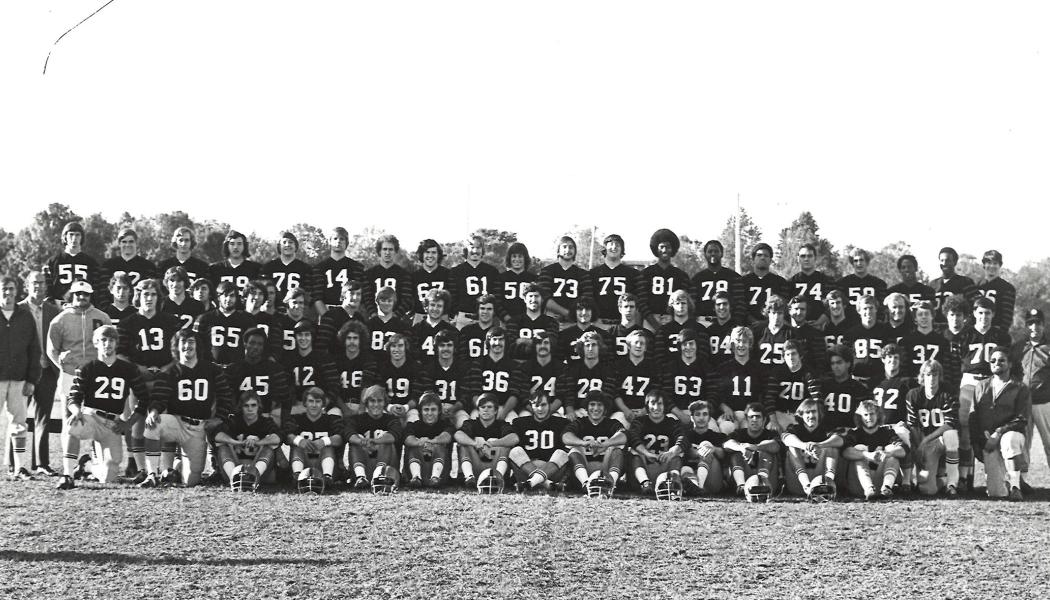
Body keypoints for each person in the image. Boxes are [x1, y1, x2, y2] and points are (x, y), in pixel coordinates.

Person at [56, 325, 148, 489]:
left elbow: (144, 399)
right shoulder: (87, 367)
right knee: (73, 426)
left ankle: (87, 466)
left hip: (113, 424)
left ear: (116, 343)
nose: (108, 344)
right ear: (96, 343)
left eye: (111, 340)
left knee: (109, 475)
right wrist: (76, 411)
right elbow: (74, 396)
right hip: (91, 417)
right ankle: (67, 475)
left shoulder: (128, 369)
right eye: (103, 340)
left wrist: (129, 423)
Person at [140, 329, 234, 488]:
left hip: (198, 427)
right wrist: (154, 411)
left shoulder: (212, 370)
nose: (187, 346)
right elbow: (159, 398)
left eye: (191, 341)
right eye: (183, 342)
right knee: (152, 425)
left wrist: (220, 417)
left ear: (198, 345)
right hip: (176, 422)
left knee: (191, 480)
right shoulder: (169, 372)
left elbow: (225, 396)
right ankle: (152, 475)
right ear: (176, 346)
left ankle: (175, 468)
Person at [955, 296, 1011, 490]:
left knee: (990, 428)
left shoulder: (1000, 336)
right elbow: (956, 364)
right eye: (980, 313)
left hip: (991, 383)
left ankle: (994, 477)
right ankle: (964, 477)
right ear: (974, 314)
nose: (984, 317)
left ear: (993, 314)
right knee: (964, 429)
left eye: (988, 313)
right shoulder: (965, 334)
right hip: (969, 380)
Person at [47, 280, 112, 430]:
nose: (82, 296)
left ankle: (96, 454)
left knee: (98, 419)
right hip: (70, 375)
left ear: (90, 295)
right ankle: (68, 454)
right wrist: (61, 365)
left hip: (96, 374)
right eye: (78, 293)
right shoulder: (60, 320)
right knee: (69, 419)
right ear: (72, 294)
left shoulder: (103, 318)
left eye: (86, 294)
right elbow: (51, 349)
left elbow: (112, 345)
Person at [970, 348, 1029, 500]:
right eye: (993, 360)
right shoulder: (981, 386)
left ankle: (1016, 486)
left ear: (1009, 364)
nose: (997, 363)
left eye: (1002, 360)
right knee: (997, 493)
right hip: (987, 440)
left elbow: (1022, 419)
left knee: (1009, 440)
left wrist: (999, 432)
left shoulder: (1020, 387)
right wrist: (978, 442)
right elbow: (973, 417)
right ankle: (1006, 483)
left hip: (1011, 435)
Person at [17, 271, 60, 475]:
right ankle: (15, 464)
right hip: (23, 373)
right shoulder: (17, 310)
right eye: (35, 282)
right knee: (18, 418)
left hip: (47, 371)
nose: (39, 286)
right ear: (27, 285)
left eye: (42, 283)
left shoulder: (54, 310)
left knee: (44, 418)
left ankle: (41, 463)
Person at [1, 275, 42, 480]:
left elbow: (35, 350)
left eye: (11, 289)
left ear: (17, 291)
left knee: (19, 423)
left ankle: (19, 468)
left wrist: (32, 379)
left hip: (18, 379)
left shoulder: (25, 316)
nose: (7, 293)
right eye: (3, 289)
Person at [905, 359, 961, 496]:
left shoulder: (948, 392)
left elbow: (950, 423)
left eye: (935, 375)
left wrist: (926, 440)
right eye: (928, 375)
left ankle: (952, 483)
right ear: (922, 376)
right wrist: (919, 446)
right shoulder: (913, 395)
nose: (931, 379)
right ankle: (940, 480)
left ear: (940, 376)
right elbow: (913, 425)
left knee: (952, 434)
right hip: (924, 443)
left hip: (939, 439)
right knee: (927, 490)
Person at [1010, 308, 1049, 492]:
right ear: (1026, 325)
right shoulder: (1018, 347)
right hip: (1024, 403)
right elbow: (1013, 373)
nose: (1035, 327)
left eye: (1038, 323)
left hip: (1044, 402)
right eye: (1031, 323)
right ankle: (1022, 480)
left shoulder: (1048, 346)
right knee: (1023, 442)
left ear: (1044, 324)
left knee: (1049, 442)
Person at [562, 390, 626, 496]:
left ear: (605, 408)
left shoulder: (612, 423)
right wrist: (583, 443)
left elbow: (624, 435)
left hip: (605, 469)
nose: (596, 408)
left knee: (617, 449)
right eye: (592, 404)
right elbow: (565, 436)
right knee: (574, 449)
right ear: (586, 407)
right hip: (584, 468)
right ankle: (586, 484)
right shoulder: (580, 422)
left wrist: (605, 444)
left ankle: (611, 484)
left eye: (600, 405)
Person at [224, 327, 294, 425]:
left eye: (259, 344)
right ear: (245, 344)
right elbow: (225, 398)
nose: (255, 347)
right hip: (240, 420)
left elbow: (286, 400)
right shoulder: (233, 369)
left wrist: (284, 422)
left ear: (263, 347)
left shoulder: (275, 369)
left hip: (266, 419)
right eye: (252, 343)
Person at [871, 343, 917, 491]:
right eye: (889, 357)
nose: (893, 360)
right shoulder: (874, 381)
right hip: (877, 426)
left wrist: (905, 422)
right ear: (883, 359)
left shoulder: (906, 382)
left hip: (896, 425)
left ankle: (907, 482)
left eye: (896, 357)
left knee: (904, 434)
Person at [214, 391, 281, 491]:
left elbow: (277, 438)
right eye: (246, 406)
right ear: (241, 407)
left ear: (259, 406)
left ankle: (253, 479)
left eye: (253, 405)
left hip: (259, 468)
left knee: (269, 448)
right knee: (223, 446)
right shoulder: (234, 420)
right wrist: (236, 442)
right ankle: (234, 479)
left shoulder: (266, 422)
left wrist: (258, 443)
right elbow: (217, 435)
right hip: (234, 467)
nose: (250, 409)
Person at [842, 400, 906, 500]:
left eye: (872, 414)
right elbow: (845, 452)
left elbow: (903, 450)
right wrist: (867, 455)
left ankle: (886, 488)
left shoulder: (887, 431)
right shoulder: (854, 433)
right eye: (865, 415)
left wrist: (887, 453)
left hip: (880, 480)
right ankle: (869, 489)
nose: (869, 418)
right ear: (860, 416)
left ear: (878, 415)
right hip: (859, 484)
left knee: (893, 451)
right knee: (859, 449)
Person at [627, 391, 686, 498]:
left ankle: (673, 482)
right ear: (647, 406)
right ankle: (644, 483)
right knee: (634, 450)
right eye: (652, 403)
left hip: (664, 466)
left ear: (665, 406)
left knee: (678, 452)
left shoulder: (672, 422)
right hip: (644, 467)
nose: (656, 407)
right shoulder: (639, 421)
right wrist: (647, 453)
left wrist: (671, 452)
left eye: (660, 403)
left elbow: (683, 439)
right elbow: (632, 437)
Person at [281, 386, 343, 488]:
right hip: (304, 462)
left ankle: (327, 477)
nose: (314, 405)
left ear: (323, 403)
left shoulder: (332, 419)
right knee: (298, 445)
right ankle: (297, 476)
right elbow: (286, 436)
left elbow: (340, 438)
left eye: (317, 401)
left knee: (328, 446)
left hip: (324, 464)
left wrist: (324, 441)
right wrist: (300, 440)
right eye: (311, 401)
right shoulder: (296, 419)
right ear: (305, 403)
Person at [780, 399, 843, 500]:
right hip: (799, 482)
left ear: (819, 413)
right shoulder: (795, 428)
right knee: (792, 447)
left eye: (814, 411)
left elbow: (840, 440)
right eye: (807, 412)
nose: (811, 415)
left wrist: (820, 445)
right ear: (801, 415)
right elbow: (786, 438)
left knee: (832, 447)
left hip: (821, 481)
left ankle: (829, 483)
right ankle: (807, 485)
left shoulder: (826, 429)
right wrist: (804, 446)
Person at [509, 393, 571, 493]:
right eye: (536, 405)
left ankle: (531, 482)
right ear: (530, 406)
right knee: (515, 451)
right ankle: (546, 483)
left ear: (550, 405)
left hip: (552, 469)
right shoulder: (519, 422)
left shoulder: (562, 423)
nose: (540, 409)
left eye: (543, 405)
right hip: (526, 469)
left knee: (562, 453)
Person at [344, 385, 402, 492]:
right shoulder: (357, 419)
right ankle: (360, 477)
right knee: (356, 440)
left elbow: (395, 435)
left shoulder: (392, 419)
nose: (376, 404)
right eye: (372, 401)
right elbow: (348, 433)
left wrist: (375, 441)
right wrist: (362, 441)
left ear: (385, 402)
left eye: (379, 401)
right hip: (364, 463)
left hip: (388, 468)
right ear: (366, 403)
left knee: (386, 441)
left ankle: (380, 475)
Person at [284, 320, 345, 419]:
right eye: (300, 335)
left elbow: (334, 386)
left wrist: (323, 404)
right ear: (295, 337)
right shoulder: (289, 360)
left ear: (312, 337)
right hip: (299, 405)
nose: (303, 338)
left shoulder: (324, 358)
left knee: (336, 413)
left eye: (307, 335)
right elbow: (286, 387)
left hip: (321, 404)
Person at [454, 393, 515, 489]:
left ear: (495, 411)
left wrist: (492, 443)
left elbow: (514, 438)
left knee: (505, 445)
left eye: (489, 407)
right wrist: (475, 443)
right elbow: (458, 435)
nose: (486, 409)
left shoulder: (502, 424)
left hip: (496, 466)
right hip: (476, 465)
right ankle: (469, 477)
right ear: (478, 410)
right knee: (463, 444)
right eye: (483, 407)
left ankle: (499, 478)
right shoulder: (471, 424)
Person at [713, 326, 765, 434]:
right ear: (732, 344)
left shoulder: (759, 369)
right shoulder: (723, 368)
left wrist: (753, 410)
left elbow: (762, 395)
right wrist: (724, 407)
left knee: (750, 430)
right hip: (729, 413)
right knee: (727, 428)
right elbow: (715, 394)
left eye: (745, 341)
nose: (741, 345)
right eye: (738, 341)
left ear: (750, 344)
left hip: (750, 414)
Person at [557, 331, 617, 422]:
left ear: (599, 347)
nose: (590, 348)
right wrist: (570, 411)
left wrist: (602, 413)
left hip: (600, 411)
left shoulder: (607, 370)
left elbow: (608, 396)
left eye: (594, 345)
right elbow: (569, 393)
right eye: (587, 345)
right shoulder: (573, 369)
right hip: (578, 411)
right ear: (582, 348)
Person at [723, 403, 781, 499]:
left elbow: (776, 446)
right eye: (751, 417)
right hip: (744, 475)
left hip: (768, 478)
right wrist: (742, 448)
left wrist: (756, 447)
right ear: (746, 419)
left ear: (764, 420)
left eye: (758, 416)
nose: (754, 419)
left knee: (766, 451)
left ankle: (763, 483)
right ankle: (741, 486)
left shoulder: (771, 434)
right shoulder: (739, 433)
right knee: (735, 453)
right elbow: (726, 444)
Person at [192, 281, 256, 367]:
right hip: (211, 368)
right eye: (225, 295)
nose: (228, 299)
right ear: (218, 297)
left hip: (238, 368)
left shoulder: (247, 319)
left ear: (237, 298)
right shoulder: (204, 318)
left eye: (232, 296)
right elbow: (197, 346)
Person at [638, 229, 690, 332]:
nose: (665, 250)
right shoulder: (645, 274)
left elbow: (685, 301)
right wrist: (654, 323)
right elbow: (641, 302)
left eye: (668, 247)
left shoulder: (681, 275)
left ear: (673, 249)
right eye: (661, 247)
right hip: (650, 319)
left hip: (673, 319)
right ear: (656, 249)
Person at [465, 327, 521, 422]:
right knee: (473, 421)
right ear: (488, 342)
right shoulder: (478, 363)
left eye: (501, 339)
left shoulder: (514, 366)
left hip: (504, 408)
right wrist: (483, 409)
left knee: (514, 422)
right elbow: (474, 393)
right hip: (482, 407)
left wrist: (503, 413)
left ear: (506, 342)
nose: (497, 343)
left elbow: (514, 395)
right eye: (494, 339)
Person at [764, 339, 821, 432]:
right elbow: (769, 398)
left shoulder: (809, 373)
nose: (791, 357)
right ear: (784, 357)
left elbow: (817, 400)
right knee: (770, 430)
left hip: (801, 416)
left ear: (800, 355)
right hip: (780, 414)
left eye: (794, 354)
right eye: (787, 354)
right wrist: (774, 421)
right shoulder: (777, 372)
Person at [418, 329, 470, 428]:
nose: (446, 349)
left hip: (456, 409)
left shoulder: (463, 368)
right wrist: (439, 408)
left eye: (449, 345)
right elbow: (427, 394)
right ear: (436, 348)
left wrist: (454, 408)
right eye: (442, 345)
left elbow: (465, 396)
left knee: (464, 423)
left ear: (455, 348)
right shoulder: (428, 368)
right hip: (433, 409)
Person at [662, 328, 714, 424]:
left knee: (712, 428)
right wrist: (680, 415)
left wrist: (699, 414)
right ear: (679, 346)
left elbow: (713, 394)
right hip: (676, 412)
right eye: (684, 344)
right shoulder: (671, 367)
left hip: (701, 413)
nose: (688, 347)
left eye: (691, 343)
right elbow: (666, 396)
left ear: (697, 345)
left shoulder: (706, 367)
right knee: (668, 424)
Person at [537, 236, 593, 324]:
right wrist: (566, 312)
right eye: (564, 247)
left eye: (571, 247)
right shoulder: (547, 271)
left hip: (575, 320)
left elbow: (587, 298)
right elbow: (543, 297)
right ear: (558, 250)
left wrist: (573, 315)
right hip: (551, 319)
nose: (568, 250)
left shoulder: (583, 274)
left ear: (575, 251)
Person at [403, 392, 455, 488]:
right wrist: (419, 442)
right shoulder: (413, 425)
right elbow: (407, 439)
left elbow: (447, 437)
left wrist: (431, 442)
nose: (430, 413)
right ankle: (416, 477)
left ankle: (435, 477)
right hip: (415, 470)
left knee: (439, 446)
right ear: (420, 411)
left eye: (433, 409)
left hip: (441, 475)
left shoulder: (446, 424)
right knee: (414, 446)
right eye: (426, 410)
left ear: (439, 411)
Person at [611, 330, 661, 428]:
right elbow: (615, 392)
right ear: (629, 346)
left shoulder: (653, 367)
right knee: (615, 423)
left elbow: (656, 392)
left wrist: (645, 410)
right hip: (623, 411)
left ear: (646, 348)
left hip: (647, 411)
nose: (638, 346)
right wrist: (625, 410)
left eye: (642, 343)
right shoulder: (618, 365)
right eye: (635, 343)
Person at [842, 295, 895, 387]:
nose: (868, 312)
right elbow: (846, 358)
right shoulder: (851, 333)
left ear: (876, 309)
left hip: (879, 379)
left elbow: (891, 355)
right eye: (865, 308)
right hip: (856, 379)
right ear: (859, 311)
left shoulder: (886, 331)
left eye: (871, 308)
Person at [447, 236, 500, 329]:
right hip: (463, 318)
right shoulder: (455, 272)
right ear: (466, 249)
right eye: (472, 247)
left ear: (482, 250)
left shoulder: (492, 272)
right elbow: (452, 297)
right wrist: (455, 314)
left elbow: (497, 297)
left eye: (478, 247)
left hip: (486, 318)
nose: (475, 251)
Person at [680, 400, 730, 496]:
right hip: (691, 474)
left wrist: (713, 449)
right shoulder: (685, 436)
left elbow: (724, 455)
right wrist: (695, 453)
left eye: (705, 414)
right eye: (698, 414)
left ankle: (700, 486)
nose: (701, 418)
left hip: (712, 479)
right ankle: (696, 486)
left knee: (706, 444)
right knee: (685, 469)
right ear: (692, 417)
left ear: (710, 417)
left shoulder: (718, 436)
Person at [312, 227, 365, 316]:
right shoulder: (319, 268)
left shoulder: (356, 267)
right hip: (326, 311)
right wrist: (327, 318)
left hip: (349, 312)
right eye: (335, 238)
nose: (338, 241)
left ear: (346, 243)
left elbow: (359, 296)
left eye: (342, 239)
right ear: (330, 241)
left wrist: (349, 315)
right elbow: (317, 297)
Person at [45, 221, 101, 305]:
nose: (74, 238)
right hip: (59, 306)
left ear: (82, 237)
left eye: (77, 235)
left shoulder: (91, 263)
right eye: (71, 234)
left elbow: (97, 288)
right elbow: (46, 288)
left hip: (83, 305)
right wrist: (51, 304)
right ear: (65, 237)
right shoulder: (53, 262)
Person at [589, 234, 640, 325]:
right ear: (605, 249)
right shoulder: (593, 274)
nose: (614, 247)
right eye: (611, 244)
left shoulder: (633, 274)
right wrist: (594, 319)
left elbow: (637, 302)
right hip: (599, 322)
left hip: (624, 323)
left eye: (617, 245)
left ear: (622, 250)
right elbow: (589, 299)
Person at [692, 240, 746, 326]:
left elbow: (740, 302)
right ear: (705, 254)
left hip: (728, 321)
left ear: (722, 254)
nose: (713, 254)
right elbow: (692, 303)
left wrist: (735, 321)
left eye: (716, 251)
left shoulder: (734, 277)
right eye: (710, 251)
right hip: (703, 322)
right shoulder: (697, 279)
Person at [820, 344, 873, 432]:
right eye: (833, 363)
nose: (835, 366)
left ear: (848, 363)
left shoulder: (859, 388)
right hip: (826, 433)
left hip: (849, 434)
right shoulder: (824, 386)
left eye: (839, 362)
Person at [362, 234, 414, 320]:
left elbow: (406, 300)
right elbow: (367, 298)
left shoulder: (404, 275)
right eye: (384, 249)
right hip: (374, 319)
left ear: (395, 251)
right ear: (379, 251)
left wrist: (395, 316)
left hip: (397, 320)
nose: (387, 252)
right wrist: (374, 314)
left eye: (391, 249)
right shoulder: (369, 274)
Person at [99, 228, 157, 305]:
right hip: (113, 311)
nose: (127, 245)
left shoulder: (148, 266)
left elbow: (152, 291)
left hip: (139, 312)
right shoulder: (108, 265)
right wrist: (107, 309)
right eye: (124, 242)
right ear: (119, 244)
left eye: (131, 242)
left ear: (136, 243)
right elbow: (103, 291)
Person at [374, 332, 422, 422]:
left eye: (400, 346)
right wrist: (390, 407)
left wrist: (406, 407)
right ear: (389, 348)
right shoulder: (382, 367)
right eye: (393, 346)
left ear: (405, 348)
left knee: (414, 418)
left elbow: (417, 394)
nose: (396, 349)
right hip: (387, 407)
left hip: (409, 408)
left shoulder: (415, 367)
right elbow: (378, 392)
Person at [261, 231, 314, 313]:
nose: (287, 245)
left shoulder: (305, 268)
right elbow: (263, 289)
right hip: (273, 309)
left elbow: (308, 293)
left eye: (291, 242)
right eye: (284, 242)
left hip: (296, 310)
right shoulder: (268, 267)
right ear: (279, 246)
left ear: (296, 246)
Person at [332, 320, 377, 415]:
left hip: (362, 404)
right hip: (340, 405)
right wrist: (345, 410)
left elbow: (367, 385)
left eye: (355, 338)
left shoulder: (368, 359)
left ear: (361, 340)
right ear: (344, 339)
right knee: (333, 414)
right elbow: (333, 389)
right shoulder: (336, 360)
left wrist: (361, 408)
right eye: (349, 338)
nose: (352, 342)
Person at [929, 247, 980, 330]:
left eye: (948, 260)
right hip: (937, 329)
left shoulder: (965, 282)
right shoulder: (932, 284)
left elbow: (977, 305)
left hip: (958, 329)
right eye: (942, 260)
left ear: (955, 262)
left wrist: (968, 321)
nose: (944, 263)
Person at [899, 300, 951, 379]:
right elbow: (903, 369)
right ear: (915, 318)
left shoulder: (943, 341)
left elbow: (946, 369)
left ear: (932, 316)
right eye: (920, 314)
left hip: (935, 382)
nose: (924, 317)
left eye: (926, 314)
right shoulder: (906, 341)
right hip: (912, 383)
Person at [740, 243, 791, 325]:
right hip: (749, 326)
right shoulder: (743, 281)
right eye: (759, 255)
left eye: (766, 255)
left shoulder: (781, 282)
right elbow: (740, 306)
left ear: (770, 260)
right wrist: (753, 321)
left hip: (773, 325)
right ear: (753, 259)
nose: (762, 257)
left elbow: (783, 307)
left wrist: (768, 322)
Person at [506, 283, 560, 358]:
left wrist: (525, 341)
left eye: (536, 296)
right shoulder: (513, 322)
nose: (534, 300)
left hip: (541, 364)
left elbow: (551, 345)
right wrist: (539, 344)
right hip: (518, 363)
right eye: (530, 296)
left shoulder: (551, 322)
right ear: (524, 299)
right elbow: (511, 347)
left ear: (542, 299)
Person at [655, 289, 705, 366]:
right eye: (677, 303)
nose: (681, 306)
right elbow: (659, 356)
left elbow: (703, 355)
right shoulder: (663, 330)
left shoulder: (699, 329)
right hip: (670, 371)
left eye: (683, 303)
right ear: (672, 306)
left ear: (689, 305)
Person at [788, 243, 834, 326]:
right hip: (798, 327)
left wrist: (819, 322)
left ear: (815, 258)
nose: (806, 259)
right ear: (798, 259)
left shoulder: (827, 281)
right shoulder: (791, 282)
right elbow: (787, 307)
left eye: (809, 256)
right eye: (803, 256)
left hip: (822, 326)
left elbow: (832, 305)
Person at [316, 280, 366, 356]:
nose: (355, 297)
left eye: (358, 294)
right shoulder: (330, 316)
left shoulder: (360, 319)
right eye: (352, 294)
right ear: (343, 295)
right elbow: (321, 346)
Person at [837, 248, 887, 322]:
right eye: (855, 261)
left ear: (867, 262)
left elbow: (882, 307)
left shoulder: (879, 283)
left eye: (861, 260)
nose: (859, 263)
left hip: (872, 324)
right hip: (849, 324)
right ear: (852, 263)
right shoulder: (842, 283)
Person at [207, 230, 263, 295]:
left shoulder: (255, 269)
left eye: (239, 244)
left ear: (244, 246)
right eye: (232, 244)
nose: (235, 247)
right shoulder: (215, 269)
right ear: (227, 246)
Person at [410, 239, 451, 323]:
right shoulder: (414, 276)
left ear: (438, 255)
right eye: (427, 252)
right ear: (422, 254)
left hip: (442, 317)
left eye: (433, 252)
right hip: (420, 317)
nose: (430, 255)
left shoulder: (447, 274)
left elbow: (453, 298)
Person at [409, 288, 456, 360]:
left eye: (439, 306)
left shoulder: (451, 331)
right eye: (432, 305)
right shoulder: (416, 329)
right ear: (426, 306)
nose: (435, 309)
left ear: (444, 308)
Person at [364, 286, 411, 356]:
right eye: (383, 300)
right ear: (377, 301)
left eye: (389, 301)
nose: (386, 303)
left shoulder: (402, 326)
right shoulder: (368, 325)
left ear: (394, 302)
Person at [558, 297, 606, 363]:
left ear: (593, 312)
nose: (584, 313)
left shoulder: (602, 335)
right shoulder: (563, 336)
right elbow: (559, 360)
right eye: (580, 309)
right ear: (574, 312)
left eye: (588, 309)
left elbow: (606, 361)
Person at [978, 250, 1015, 334]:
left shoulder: (1007, 288)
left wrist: (1001, 334)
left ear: (1000, 265)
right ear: (984, 264)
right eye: (989, 263)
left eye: (995, 263)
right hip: (976, 332)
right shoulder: (976, 286)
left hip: (995, 331)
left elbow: (1007, 316)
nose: (992, 266)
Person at [497, 242, 536, 321]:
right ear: (509, 258)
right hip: (506, 323)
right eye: (514, 256)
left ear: (525, 258)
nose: (517, 259)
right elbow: (497, 302)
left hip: (528, 322)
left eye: (520, 256)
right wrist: (507, 318)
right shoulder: (500, 278)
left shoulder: (533, 278)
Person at [459, 294, 498, 363]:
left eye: (489, 309)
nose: (485, 312)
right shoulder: (466, 331)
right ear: (477, 310)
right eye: (482, 308)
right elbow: (462, 358)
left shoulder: (499, 333)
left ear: (494, 311)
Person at [703, 291, 738, 368]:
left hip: (733, 372)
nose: (722, 307)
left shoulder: (738, 328)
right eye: (718, 304)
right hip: (713, 373)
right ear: (713, 308)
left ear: (730, 306)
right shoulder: (708, 331)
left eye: (725, 304)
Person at [607, 292, 646, 360]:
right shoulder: (610, 333)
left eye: (632, 307)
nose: (628, 310)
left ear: (636, 309)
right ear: (620, 309)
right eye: (626, 306)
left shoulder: (645, 334)